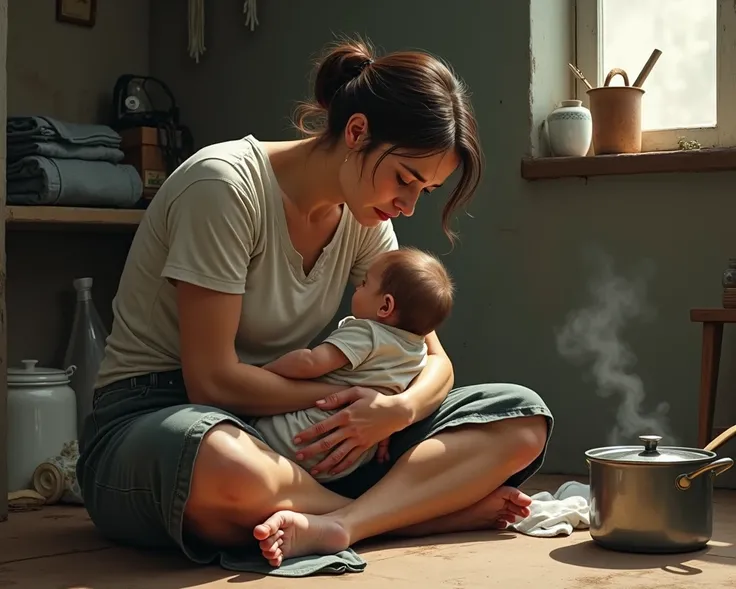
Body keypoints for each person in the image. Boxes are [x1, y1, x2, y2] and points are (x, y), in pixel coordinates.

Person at [76, 36, 553, 569]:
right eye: (405, 180)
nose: (409, 206)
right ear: (356, 132)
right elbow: (210, 382)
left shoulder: (367, 217)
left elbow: (434, 360)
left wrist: (395, 410)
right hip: (160, 419)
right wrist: (344, 399)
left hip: (289, 424)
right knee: (222, 465)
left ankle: (337, 524)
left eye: (425, 191)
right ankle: (416, 513)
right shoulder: (225, 186)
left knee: (520, 417)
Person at [254, 246, 455, 483]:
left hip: (292, 436)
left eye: (364, 283)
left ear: (385, 306)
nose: (357, 286)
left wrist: (263, 371)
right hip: (344, 459)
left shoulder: (367, 333)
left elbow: (310, 362)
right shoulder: (418, 352)